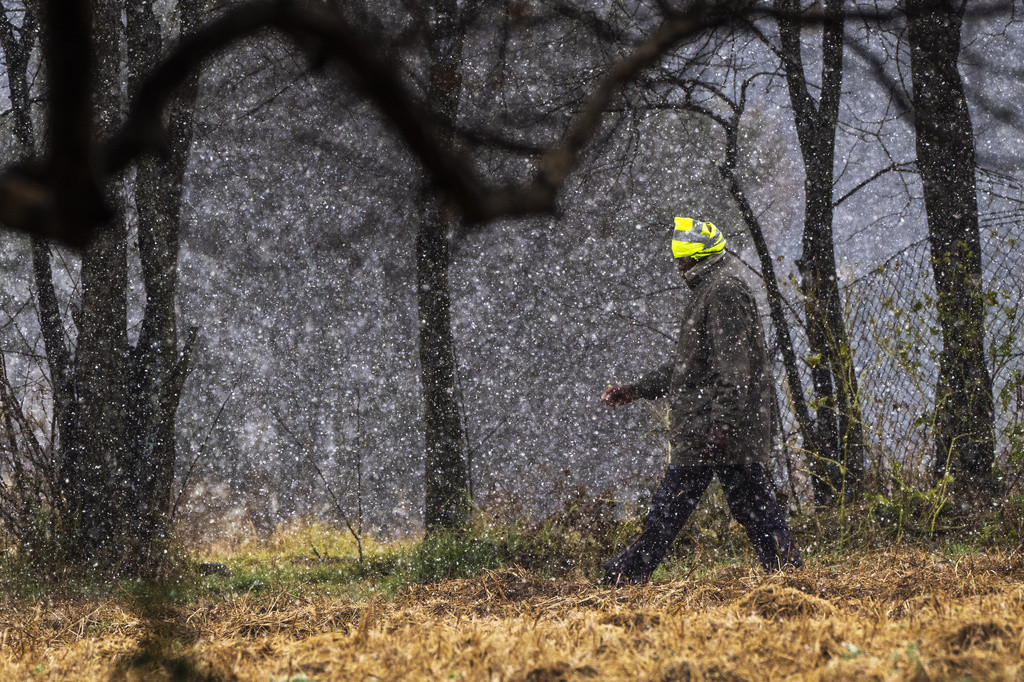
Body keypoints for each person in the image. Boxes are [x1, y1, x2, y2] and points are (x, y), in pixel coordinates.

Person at [600, 217, 802, 584]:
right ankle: (788, 575)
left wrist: (722, 427)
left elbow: (733, 370)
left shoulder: (722, 293)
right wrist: (637, 389)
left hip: (716, 428)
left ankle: (625, 577)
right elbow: (690, 367)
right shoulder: (710, 290)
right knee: (746, 507)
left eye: (684, 258)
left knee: (679, 508)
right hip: (710, 426)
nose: (678, 266)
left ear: (700, 257)